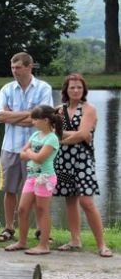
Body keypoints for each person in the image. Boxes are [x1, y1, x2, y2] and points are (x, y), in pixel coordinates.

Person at [0, 52, 53, 243]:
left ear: (29, 67)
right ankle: (9, 228)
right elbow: (0, 117)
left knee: (37, 190)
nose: (14, 71)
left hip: (36, 150)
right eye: (12, 67)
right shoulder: (6, 89)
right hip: (10, 148)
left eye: (18, 67)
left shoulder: (43, 88)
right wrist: (28, 116)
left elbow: (44, 119)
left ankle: (39, 229)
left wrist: (14, 116)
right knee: (9, 190)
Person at [54, 74, 112, 257]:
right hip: (63, 160)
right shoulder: (59, 110)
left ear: (84, 89)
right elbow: (50, 132)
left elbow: (82, 134)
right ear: (66, 90)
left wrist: (63, 137)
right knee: (70, 200)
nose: (76, 90)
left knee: (87, 202)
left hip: (83, 160)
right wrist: (74, 135)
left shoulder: (89, 108)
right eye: (72, 87)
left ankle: (102, 245)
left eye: (79, 87)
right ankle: (75, 240)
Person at [4, 105, 62, 255]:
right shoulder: (35, 136)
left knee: (42, 210)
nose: (33, 121)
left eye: (35, 119)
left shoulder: (52, 138)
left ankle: (44, 245)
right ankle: (22, 242)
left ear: (46, 120)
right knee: (22, 209)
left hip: (45, 178)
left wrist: (29, 152)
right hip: (32, 177)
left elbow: (40, 158)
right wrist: (30, 153)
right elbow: (21, 155)